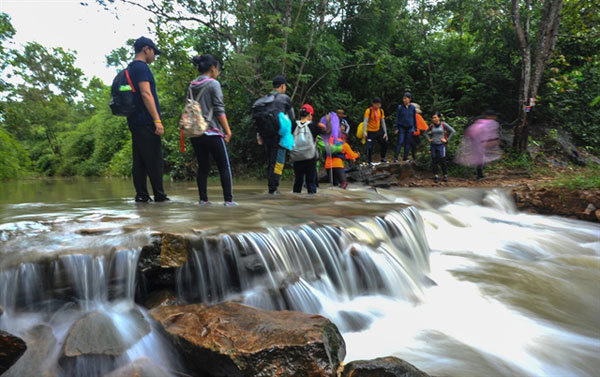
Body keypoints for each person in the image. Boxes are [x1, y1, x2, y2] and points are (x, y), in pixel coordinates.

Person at [186, 54, 235, 206]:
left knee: (203, 167)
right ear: (213, 68)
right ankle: (228, 201)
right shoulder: (214, 84)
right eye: (218, 69)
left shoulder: (192, 85)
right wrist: (228, 131)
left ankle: (203, 200)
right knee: (224, 166)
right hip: (212, 131)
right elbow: (219, 110)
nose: (218, 72)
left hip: (195, 132)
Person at [127, 36, 169, 203]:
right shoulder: (141, 67)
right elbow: (146, 93)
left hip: (134, 121)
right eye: (154, 52)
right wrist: (157, 121)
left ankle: (142, 196)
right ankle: (160, 196)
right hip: (145, 121)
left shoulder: (130, 68)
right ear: (146, 49)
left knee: (139, 160)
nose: (154, 56)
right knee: (154, 159)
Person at [257, 75, 295, 194]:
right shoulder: (284, 98)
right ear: (283, 86)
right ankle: (273, 189)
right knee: (278, 162)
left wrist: (259, 135)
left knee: (270, 161)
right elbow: (292, 117)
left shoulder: (265, 99)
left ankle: (271, 187)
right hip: (279, 136)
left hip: (265, 135)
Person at [290, 104, 326, 194]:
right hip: (310, 158)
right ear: (310, 114)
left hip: (297, 157)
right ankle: (311, 202)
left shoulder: (293, 125)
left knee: (298, 182)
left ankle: (296, 200)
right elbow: (326, 132)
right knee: (311, 182)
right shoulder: (314, 126)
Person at [456, 110, 501, 179]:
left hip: (475, 141)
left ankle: (478, 173)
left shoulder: (480, 122)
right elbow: (491, 134)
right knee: (482, 158)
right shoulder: (492, 123)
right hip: (482, 141)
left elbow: (470, 131)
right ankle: (479, 175)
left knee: (479, 158)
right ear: (490, 116)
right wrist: (494, 140)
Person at [325, 123, 360, 189]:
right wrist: (357, 155)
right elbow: (352, 155)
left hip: (328, 165)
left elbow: (342, 155)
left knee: (334, 185)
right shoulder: (344, 145)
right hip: (338, 165)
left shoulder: (331, 142)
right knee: (343, 183)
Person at [427, 112, 456, 183]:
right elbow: (425, 132)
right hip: (433, 145)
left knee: (442, 160)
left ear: (439, 118)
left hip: (441, 145)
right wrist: (429, 139)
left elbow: (453, 131)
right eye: (433, 117)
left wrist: (446, 140)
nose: (433, 119)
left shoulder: (443, 124)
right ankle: (436, 176)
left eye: (435, 117)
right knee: (434, 160)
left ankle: (445, 175)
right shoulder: (431, 126)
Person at [361, 97, 389, 165]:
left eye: (379, 104)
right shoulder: (369, 111)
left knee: (384, 142)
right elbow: (365, 121)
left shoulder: (381, 111)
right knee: (370, 146)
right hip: (370, 131)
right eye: (376, 104)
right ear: (373, 104)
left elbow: (382, 122)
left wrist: (385, 132)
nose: (377, 106)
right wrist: (364, 131)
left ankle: (383, 158)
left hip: (378, 130)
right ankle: (369, 161)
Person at [394, 92, 417, 162]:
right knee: (400, 142)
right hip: (401, 127)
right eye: (403, 98)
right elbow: (397, 117)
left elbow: (414, 118)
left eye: (405, 98)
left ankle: (405, 157)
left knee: (407, 143)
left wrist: (415, 128)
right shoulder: (400, 107)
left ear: (409, 99)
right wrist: (396, 127)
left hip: (410, 127)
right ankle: (396, 158)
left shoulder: (412, 108)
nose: (404, 100)